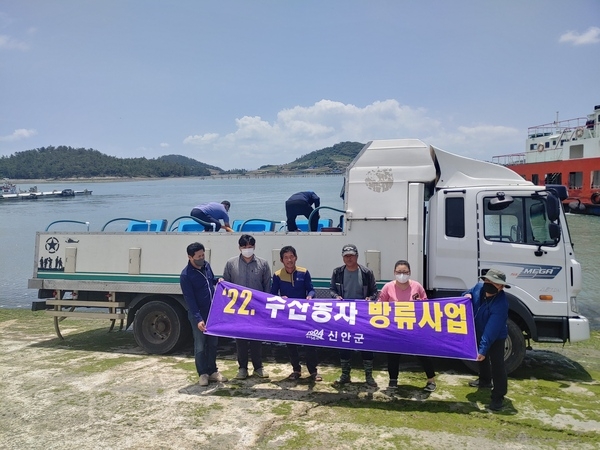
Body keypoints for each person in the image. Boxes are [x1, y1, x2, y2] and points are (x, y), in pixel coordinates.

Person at [378, 260, 437, 392]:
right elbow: (379, 306)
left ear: (409, 273)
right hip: (395, 328)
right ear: (394, 273)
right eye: (399, 272)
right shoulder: (388, 287)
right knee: (393, 355)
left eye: (405, 272)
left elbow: (425, 305)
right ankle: (393, 381)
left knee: (423, 353)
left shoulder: (417, 286)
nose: (402, 275)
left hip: (414, 328)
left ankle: (431, 380)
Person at [223, 234, 272, 380]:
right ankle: (242, 368)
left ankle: (258, 367)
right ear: (239, 248)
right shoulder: (231, 264)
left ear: (254, 247)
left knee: (257, 339)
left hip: (257, 309)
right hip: (238, 310)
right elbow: (226, 285)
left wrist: (265, 309)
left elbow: (267, 288)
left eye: (250, 246)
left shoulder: (263, 264)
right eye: (244, 247)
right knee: (240, 340)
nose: (247, 249)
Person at [329, 244, 379, 387]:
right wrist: (336, 296)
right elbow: (331, 289)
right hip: (344, 315)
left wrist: (370, 298)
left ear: (357, 256)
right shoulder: (337, 272)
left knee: (366, 344)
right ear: (343, 258)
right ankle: (345, 375)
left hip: (362, 316)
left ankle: (369, 376)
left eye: (351, 255)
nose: (349, 258)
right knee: (344, 344)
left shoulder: (366, 272)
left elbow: (375, 292)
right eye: (346, 256)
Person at [179, 242, 228, 386]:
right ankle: (203, 373)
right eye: (199, 256)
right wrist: (198, 319)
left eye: (203, 254)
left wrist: (217, 280)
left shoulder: (206, 266)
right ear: (190, 257)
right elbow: (190, 299)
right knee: (200, 345)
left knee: (213, 343)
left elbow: (209, 281)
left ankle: (213, 371)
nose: (202, 258)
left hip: (212, 312)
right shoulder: (186, 275)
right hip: (198, 314)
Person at [271, 245, 321, 382]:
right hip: (288, 315)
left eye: (291, 256)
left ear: (296, 257)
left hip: (304, 314)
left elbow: (311, 290)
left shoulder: (304, 272)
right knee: (291, 344)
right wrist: (281, 299)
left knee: (310, 342)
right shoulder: (277, 275)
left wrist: (310, 297)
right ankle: (296, 370)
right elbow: (273, 295)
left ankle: (313, 371)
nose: (289, 260)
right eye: (286, 257)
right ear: (282, 260)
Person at [463, 268, 510, 411]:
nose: (489, 284)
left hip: (496, 336)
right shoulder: (478, 288)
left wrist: (483, 349)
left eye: (494, 282)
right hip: (477, 330)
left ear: (501, 286)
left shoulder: (501, 304)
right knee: (481, 359)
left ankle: (498, 397)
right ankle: (484, 381)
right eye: (487, 280)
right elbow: (465, 294)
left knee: (497, 365)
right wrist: (467, 296)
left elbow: (491, 331)